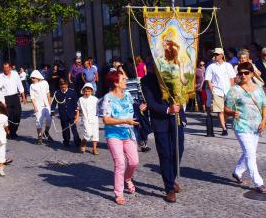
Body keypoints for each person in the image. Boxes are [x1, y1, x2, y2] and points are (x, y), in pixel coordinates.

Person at [99, 71, 146, 205]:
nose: (126, 81)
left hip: (128, 133)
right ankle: (118, 193)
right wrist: (125, 121)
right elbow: (106, 120)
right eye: (123, 80)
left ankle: (128, 178)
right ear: (115, 83)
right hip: (113, 134)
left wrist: (141, 108)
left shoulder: (128, 95)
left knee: (134, 162)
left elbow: (133, 108)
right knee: (120, 163)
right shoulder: (107, 98)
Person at [141, 68, 186, 203]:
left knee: (178, 150)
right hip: (160, 122)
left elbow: (184, 91)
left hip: (177, 119)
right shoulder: (147, 80)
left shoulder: (175, 73)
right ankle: (169, 188)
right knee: (165, 153)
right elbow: (151, 103)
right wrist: (167, 109)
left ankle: (170, 177)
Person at [224, 62, 266, 194]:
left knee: (249, 153)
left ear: (251, 74)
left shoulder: (258, 88)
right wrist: (232, 112)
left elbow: (264, 106)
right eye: (240, 73)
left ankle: (237, 172)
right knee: (251, 155)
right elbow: (225, 109)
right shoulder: (234, 90)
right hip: (241, 126)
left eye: (246, 73)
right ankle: (259, 183)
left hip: (256, 126)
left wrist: (263, 121)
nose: (243, 75)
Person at [205, 48, 236, 136]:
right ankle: (224, 128)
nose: (216, 56)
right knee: (220, 110)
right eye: (215, 54)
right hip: (217, 91)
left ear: (222, 55)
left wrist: (232, 89)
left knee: (227, 110)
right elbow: (208, 80)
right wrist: (212, 92)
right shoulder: (211, 66)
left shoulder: (228, 65)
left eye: (218, 54)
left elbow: (232, 78)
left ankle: (224, 122)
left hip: (228, 90)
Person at [51, 78, 81, 148]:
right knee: (65, 129)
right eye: (62, 87)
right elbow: (53, 104)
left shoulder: (72, 92)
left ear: (67, 85)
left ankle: (77, 142)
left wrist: (76, 114)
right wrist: (52, 112)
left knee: (74, 129)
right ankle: (66, 141)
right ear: (59, 86)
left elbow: (76, 104)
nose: (64, 88)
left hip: (72, 114)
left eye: (65, 87)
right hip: (63, 115)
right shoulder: (57, 93)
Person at [0, 62, 26, 139]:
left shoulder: (15, 74)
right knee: (8, 116)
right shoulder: (0, 77)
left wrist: (23, 97)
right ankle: (9, 132)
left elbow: (20, 85)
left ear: (10, 68)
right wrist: (2, 101)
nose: (6, 69)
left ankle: (14, 130)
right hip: (6, 98)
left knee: (18, 114)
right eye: (4, 68)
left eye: (7, 68)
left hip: (15, 97)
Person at [74, 83, 99, 155]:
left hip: (94, 118)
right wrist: (76, 118)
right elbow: (78, 109)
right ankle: (83, 143)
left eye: (88, 91)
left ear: (91, 91)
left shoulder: (95, 99)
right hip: (85, 119)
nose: (87, 93)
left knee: (95, 134)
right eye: (85, 91)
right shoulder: (81, 99)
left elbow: (99, 108)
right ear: (83, 91)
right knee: (88, 133)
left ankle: (94, 149)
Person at [30, 70, 52, 145]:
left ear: (38, 77)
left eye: (33, 78)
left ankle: (46, 132)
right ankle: (39, 137)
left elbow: (48, 93)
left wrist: (49, 103)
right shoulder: (32, 86)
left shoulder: (45, 83)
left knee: (49, 120)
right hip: (38, 106)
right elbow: (32, 97)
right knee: (39, 122)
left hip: (46, 105)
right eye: (31, 78)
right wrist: (35, 107)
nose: (32, 79)